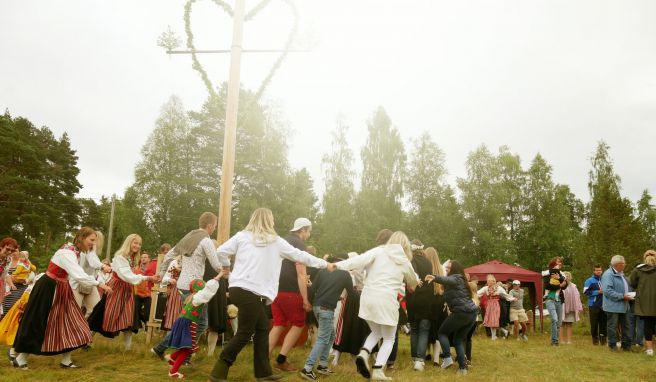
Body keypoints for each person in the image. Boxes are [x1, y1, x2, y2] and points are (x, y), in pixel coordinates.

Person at [209, 208, 333, 382]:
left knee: (261, 329)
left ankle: (264, 372)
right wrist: (324, 264)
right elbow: (300, 256)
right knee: (245, 332)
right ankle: (218, 372)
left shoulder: (242, 236)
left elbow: (221, 251)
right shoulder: (276, 242)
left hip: (237, 289)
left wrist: (226, 267)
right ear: (270, 221)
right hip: (251, 292)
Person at [13, 227, 112, 369]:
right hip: (49, 287)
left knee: (70, 322)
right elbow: (78, 274)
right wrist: (99, 284)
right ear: (82, 238)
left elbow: (92, 261)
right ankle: (20, 358)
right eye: (91, 240)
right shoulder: (67, 252)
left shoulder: (79, 252)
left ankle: (66, 360)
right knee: (39, 321)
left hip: (62, 288)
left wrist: (102, 268)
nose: (93, 244)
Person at [334, 231, 419, 381]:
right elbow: (412, 280)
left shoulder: (378, 251)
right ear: (406, 246)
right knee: (389, 338)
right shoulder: (404, 260)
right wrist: (416, 282)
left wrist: (336, 265)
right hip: (386, 300)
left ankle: (364, 353)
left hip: (367, 298)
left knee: (376, 332)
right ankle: (378, 370)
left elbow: (357, 261)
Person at [152, 212, 228, 360]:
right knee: (199, 324)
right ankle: (183, 357)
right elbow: (215, 263)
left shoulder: (188, 238)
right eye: (215, 226)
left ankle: (160, 349)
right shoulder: (205, 240)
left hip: (182, 286)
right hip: (195, 288)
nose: (214, 229)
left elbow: (168, 256)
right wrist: (226, 270)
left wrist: (161, 274)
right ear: (210, 225)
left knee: (187, 322)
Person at [88, 234, 159, 351]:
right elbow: (128, 277)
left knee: (129, 318)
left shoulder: (132, 258)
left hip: (127, 290)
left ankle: (128, 349)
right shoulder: (120, 257)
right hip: (116, 289)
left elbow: (132, 277)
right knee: (104, 315)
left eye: (139, 244)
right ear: (129, 243)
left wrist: (152, 278)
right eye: (135, 242)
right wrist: (148, 278)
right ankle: (87, 341)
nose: (137, 245)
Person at [269, 217, 313, 372]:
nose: (309, 235)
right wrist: (306, 299)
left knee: (278, 324)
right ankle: (281, 360)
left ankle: (263, 359)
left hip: (275, 289)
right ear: (303, 230)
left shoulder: (282, 241)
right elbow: (301, 274)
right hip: (291, 291)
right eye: (308, 231)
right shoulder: (300, 244)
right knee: (299, 324)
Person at [299, 255, 353, 381]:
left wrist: (307, 303)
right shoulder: (345, 274)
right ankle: (307, 368)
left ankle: (322, 365)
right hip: (326, 309)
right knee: (323, 338)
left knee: (331, 335)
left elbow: (312, 290)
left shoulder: (323, 271)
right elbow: (351, 292)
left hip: (317, 307)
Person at [425, 260, 479, 376]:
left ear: (455, 269)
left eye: (449, 268)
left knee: (442, 333)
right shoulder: (461, 281)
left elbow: (447, 279)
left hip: (462, 312)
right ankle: (463, 369)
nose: (447, 270)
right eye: (447, 268)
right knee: (457, 340)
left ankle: (447, 358)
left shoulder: (457, 278)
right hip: (471, 314)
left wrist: (434, 277)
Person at [164, 274, 223, 379]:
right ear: (200, 290)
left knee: (186, 347)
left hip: (184, 322)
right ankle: (173, 372)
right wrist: (218, 277)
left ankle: (172, 358)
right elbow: (208, 291)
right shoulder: (198, 298)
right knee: (188, 348)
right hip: (188, 323)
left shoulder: (191, 298)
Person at [405, 240, 433, 371]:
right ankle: (420, 361)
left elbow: (411, 281)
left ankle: (414, 358)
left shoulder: (411, 262)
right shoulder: (428, 262)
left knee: (415, 330)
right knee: (424, 329)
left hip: (414, 300)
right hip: (427, 300)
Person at [72, 230, 107, 320]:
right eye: (92, 240)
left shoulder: (93, 253)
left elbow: (94, 271)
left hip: (90, 284)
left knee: (96, 310)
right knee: (74, 312)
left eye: (95, 240)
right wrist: (103, 266)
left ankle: (84, 332)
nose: (94, 242)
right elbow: (93, 263)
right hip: (78, 283)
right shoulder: (87, 251)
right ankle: (77, 331)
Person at [601, 255, 633, 352]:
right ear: (617, 264)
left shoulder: (621, 274)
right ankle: (612, 345)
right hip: (612, 306)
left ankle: (626, 346)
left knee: (626, 326)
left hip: (624, 305)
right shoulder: (608, 275)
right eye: (623, 264)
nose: (624, 266)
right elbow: (607, 291)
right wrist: (622, 296)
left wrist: (631, 294)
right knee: (612, 326)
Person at [423, 247, 447, 366]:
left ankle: (427, 352)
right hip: (440, 300)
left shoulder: (425, 267)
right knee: (438, 330)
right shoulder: (442, 268)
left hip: (428, 300)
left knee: (427, 328)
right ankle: (436, 359)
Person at [629, 250, 656, 356]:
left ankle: (649, 349)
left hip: (644, 303)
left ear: (645, 258)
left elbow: (632, 282)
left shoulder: (638, 270)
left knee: (648, 326)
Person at [477, 274, 515, 340]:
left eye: (489, 281)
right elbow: (478, 293)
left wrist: (512, 298)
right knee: (491, 321)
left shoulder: (499, 288)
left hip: (496, 305)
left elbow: (505, 295)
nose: (488, 282)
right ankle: (496, 335)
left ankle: (494, 336)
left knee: (493, 320)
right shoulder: (486, 288)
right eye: (488, 281)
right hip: (489, 305)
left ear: (493, 281)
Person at [2, 250, 34, 318]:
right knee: (4, 309)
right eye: (11, 250)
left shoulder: (24, 261)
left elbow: (32, 275)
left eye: (15, 251)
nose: (12, 252)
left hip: (20, 288)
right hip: (6, 288)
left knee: (15, 308)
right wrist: (10, 280)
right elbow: (3, 274)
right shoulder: (7, 260)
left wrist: (26, 280)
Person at [543, 257, 568, 346]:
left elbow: (565, 286)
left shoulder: (562, 274)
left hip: (559, 300)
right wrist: (560, 285)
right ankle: (554, 341)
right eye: (558, 262)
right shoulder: (547, 273)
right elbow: (547, 286)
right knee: (554, 319)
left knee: (559, 322)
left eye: (561, 262)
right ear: (553, 263)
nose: (560, 263)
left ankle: (555, 341)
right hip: (550, 299)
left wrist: (559, 279)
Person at [133, 252, 157, 331]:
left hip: (148, 294)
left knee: (147, 313)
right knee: (135, 309)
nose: (143, 258)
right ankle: (137, 326)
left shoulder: (152, 269)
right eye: (142, 257)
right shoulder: (137, 269)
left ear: (149, 259)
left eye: (145, 257)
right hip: (138, 293)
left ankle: (147, 325)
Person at [583, 264, 606, 345]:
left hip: (604, 305)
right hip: (593, 305)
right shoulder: (589, 281)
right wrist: (597, 292)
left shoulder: (604, 280)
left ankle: (603, 341)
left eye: (600, 270)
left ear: (602, 271)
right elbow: (585, 292)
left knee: (603, 323)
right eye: (597, 270)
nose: (598, 271)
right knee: (594, 323)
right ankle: (595, 341)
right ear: (594, 271)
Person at [161, 254, 183, 331]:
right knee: (173, 315)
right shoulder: (175, 262)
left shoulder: (193, 263)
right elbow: (164, 279)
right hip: (175, 292)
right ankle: (170, 339)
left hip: (188, 292)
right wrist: (170, 280)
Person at [561, 272, 583, 344]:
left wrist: (579, 307)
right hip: (562, 308)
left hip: (571, 308)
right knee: (562, 324)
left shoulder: (573, 286)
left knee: (569, 324)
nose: (567, 278)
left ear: (571, 277)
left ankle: (569, 341)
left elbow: (577, 297)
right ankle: (562, 340)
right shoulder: (560, 285)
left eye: (568, 276)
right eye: (565, 276)